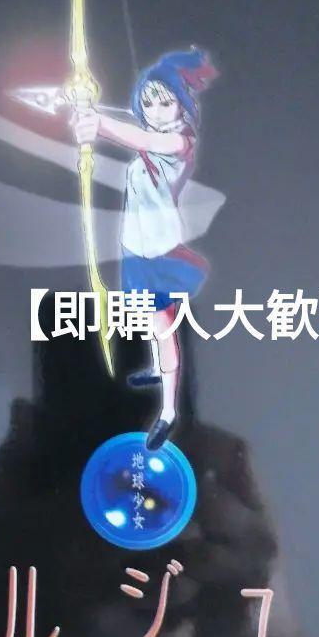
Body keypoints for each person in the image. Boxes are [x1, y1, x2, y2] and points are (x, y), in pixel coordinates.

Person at [70, 48, 217, 450]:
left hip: (158, 252)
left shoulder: (178, 141)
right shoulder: (153, 138)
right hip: (137, 246)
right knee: (152, 319)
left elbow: (144, 138)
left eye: (165, 102)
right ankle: (159, 366)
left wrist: (99, 123)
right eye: (148, 102)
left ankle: (167, 410)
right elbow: (138, 136)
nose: (155, 110)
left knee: (162, 325)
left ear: (182, 106)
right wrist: (84, 106)